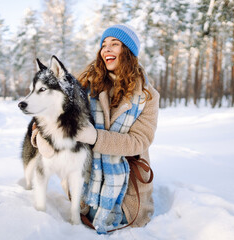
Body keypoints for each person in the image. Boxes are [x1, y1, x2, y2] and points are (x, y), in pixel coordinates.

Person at [33, 24, 159, 234]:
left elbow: (140, 141)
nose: (106, 49)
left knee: (127, 216)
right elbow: (50, 111)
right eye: (103, 45)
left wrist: (96, 137)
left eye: (114, 44)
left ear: (128, 52)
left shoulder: (147, 95)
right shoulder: (84, 83)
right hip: (84, 173)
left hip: (126, 183)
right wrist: (39, 137)